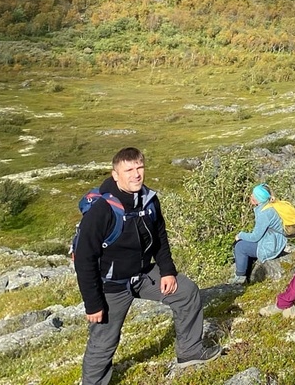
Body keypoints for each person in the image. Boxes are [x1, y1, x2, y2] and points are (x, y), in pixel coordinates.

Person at [74, 147, 219, 385]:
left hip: (142, 275)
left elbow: (160, 237)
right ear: (115, 174)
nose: (136, 174)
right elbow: (84, 259)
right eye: (128, 170)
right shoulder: (102, 210)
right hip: (111, 285)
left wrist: (168, 271)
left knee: (186, 292)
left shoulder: (149, 200)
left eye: (139, 167)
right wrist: (93, 303)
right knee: (103, 342)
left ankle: (190, 352)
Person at [232, 183, 288, 283]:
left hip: (271, 246)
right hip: (275, 241)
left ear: (257, 198)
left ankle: (240, 278)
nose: (251, 196)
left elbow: (255, 237)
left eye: (253, 194)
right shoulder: (269, 206)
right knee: (243, 244)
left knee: (240, 247)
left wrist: (240, 235)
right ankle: (246, 275)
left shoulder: (264, 213)